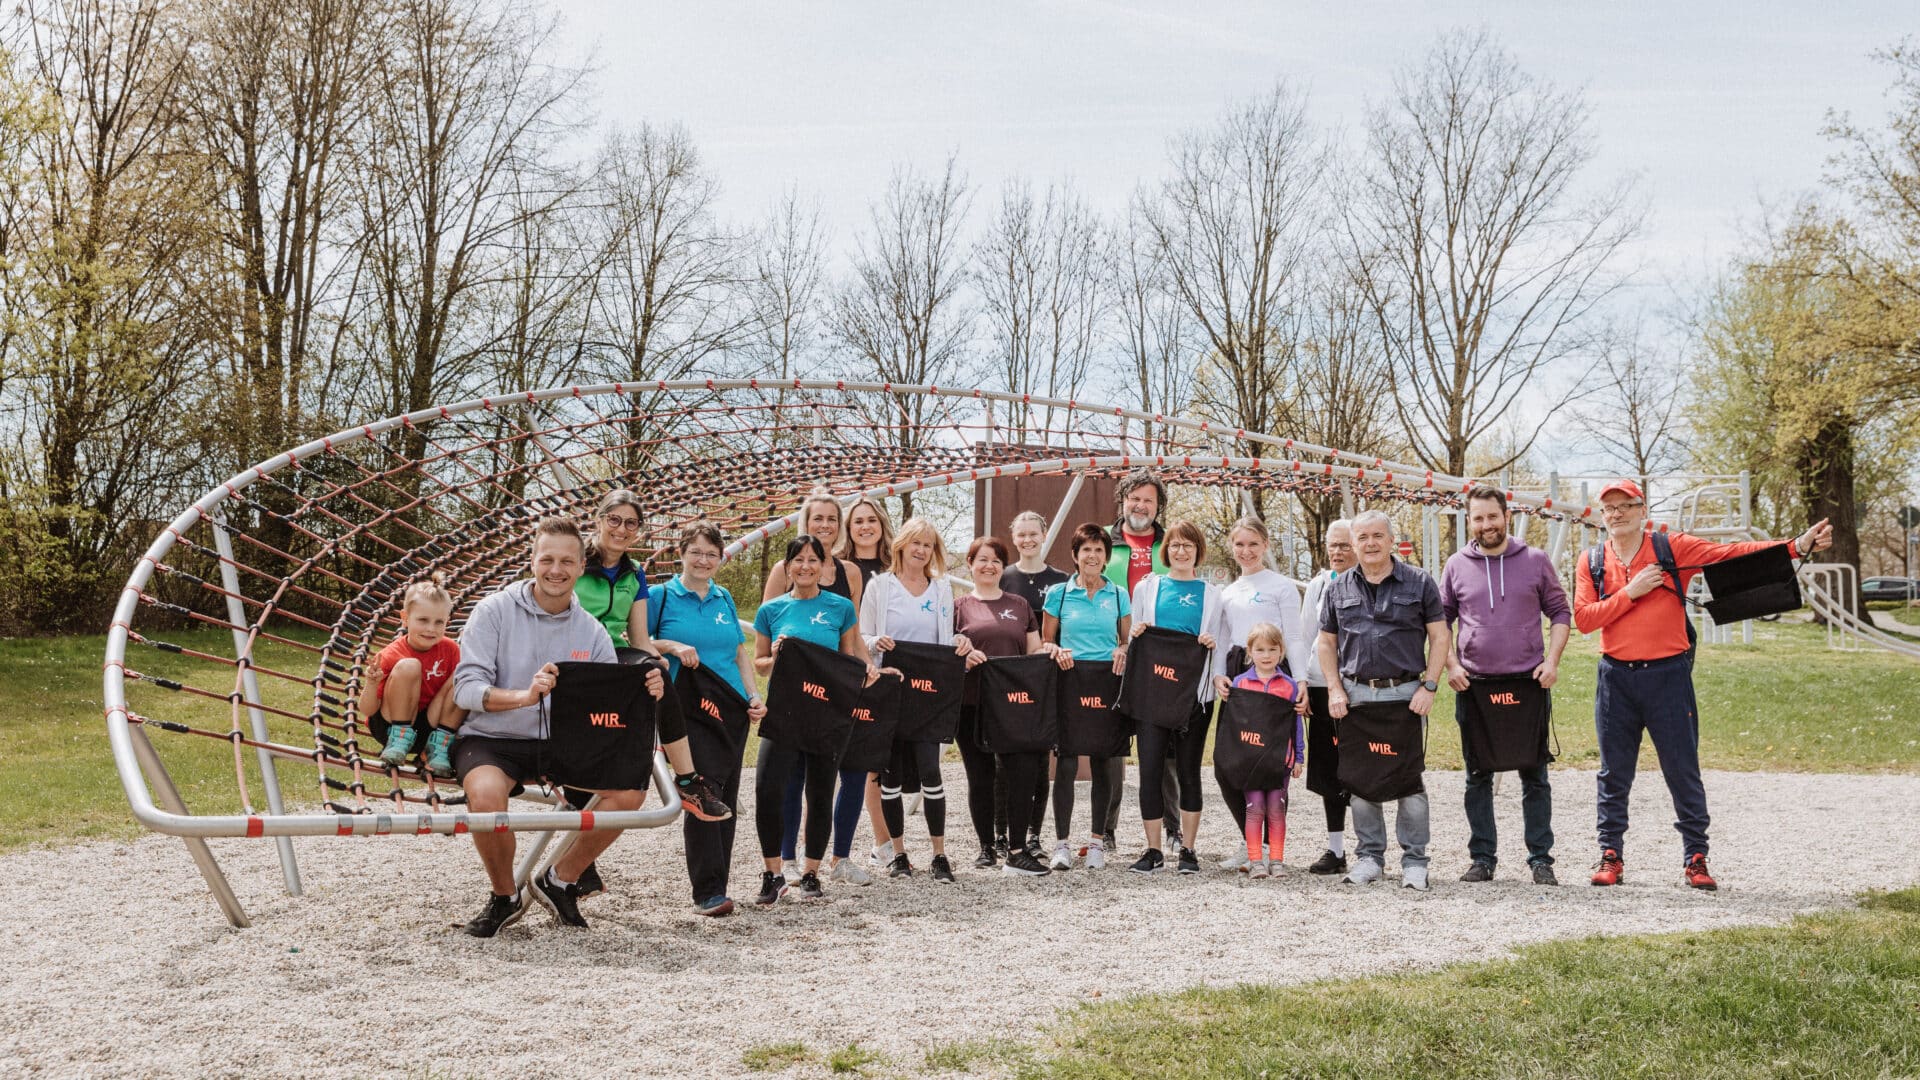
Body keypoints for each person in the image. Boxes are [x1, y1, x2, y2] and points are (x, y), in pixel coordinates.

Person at [1573, 479, 1831, 890]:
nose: (1617, 513)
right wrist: (1632, 592)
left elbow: (1730, 554)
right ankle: (1610, 854)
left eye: (1626, 505)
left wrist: (1796, 546)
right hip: (1616, 677)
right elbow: (1585, 620)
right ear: (1602, 516)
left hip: (1668, 676)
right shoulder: (1592, 561)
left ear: (1642, 510)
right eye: (1610, 508)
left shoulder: (1669, 547)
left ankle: (1695, 856)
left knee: (1682, 768)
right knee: (1613, 773)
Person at [447, 517, 665, 937]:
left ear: (582, 567)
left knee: (630, 792)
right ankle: (504, 896)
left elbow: (606, 701)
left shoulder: (591, 630)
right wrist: (524, 697)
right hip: (493, 737)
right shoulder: (493, 611)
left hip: (559, 742)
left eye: (567, 561)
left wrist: (645, 690)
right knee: (487, 797)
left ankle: (561, 879)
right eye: (547, 559)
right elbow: (466, 688)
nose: (556, 569)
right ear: (532, 561)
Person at [1439, 486, 1571, 886]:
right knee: (1477, 775)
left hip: (1528, 680)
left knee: (1535, 775)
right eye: (1478, 518)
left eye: (1492, 516)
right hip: (1474, 684)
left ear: (1505, 516)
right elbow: (1440, 621)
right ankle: (1482, 858)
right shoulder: (1456, 565)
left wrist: (1552, 661)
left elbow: (1560, 612)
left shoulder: (1535, 560)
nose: (1486, 525)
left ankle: (1540, 859)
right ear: (1470, 521)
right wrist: (1451, 665)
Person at [577, 489, 732, 823]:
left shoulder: (634, 573)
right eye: (614, 520)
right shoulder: (576, 563)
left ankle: (688, 781)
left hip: (614, 653)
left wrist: (655, 658)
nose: (621, 529)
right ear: (598, 520)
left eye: (630, 523)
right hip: (576, 652)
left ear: (639, 529)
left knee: (655, 673)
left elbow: (638, 636)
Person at [1315, 509, 1450, 892]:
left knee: (1409, 780)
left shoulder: (1419, 582)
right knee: (1362, 780)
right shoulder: (1337, 588)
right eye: (1363, 537)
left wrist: (1430, 686)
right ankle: (1370, 858)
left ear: (1391, 540)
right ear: (1354, 543)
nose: (1370, 543)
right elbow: (1326, 643)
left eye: (1378, 536)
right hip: (1356, 694)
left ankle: (1415, 861)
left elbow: (1440, 636)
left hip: (1406, 694)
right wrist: (1334, 688)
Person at [752, 534, 882, 904]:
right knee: (768, 790)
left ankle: (811, 873)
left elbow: (846, 659)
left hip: (826, 713)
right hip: (784, 712)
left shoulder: (840, 607)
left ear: (824, 566)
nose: (806, 566)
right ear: (787, 566)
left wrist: (867, 672)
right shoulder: (771, 610)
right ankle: (773, 873)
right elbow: (760, 665)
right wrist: (776, 656)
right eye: (798, 559)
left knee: (821, 791)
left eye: (813, 560)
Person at [648, 522, 768, 917]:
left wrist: (753, 695)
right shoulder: (660, 596)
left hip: (730, 706)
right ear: (682, 553)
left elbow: (738, 652)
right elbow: (637, 643)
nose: (703, 560)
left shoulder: (724, 598)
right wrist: (672, 645)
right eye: (696, 552)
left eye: (711, 554)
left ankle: (720, 884)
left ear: (720, 559)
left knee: (726, 795)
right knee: (703, 792)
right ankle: (707, 891)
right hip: (686, 706)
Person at [859, 517, 971, 884]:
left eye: (928, 545)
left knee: (929, 769)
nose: (921, 550)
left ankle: (939, 854)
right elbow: (862, 635)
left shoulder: (940, 589)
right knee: (889, 773)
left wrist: (959, 642)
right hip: (890, 690)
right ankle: (899, 854)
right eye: (915, 543)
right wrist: (874, 643)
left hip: (927, 691)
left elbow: (944, 639)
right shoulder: (880, 586)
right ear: (901, 546)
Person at [1210, 516, 1309, 871]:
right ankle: (1249, 840)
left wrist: (1300, 680)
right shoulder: (1227, 592)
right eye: (1239, 544)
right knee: (1229, 762)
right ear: (1231, 547)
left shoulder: (1281, 587)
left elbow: (1294, 636)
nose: (1246, 551)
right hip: (1240, 676)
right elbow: (1222, 639)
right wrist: (1219, 674)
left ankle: (1268, 847)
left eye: (1253, 544)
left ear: (1265, 545)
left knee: (1269, 761)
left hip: (1274, 675)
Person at [1125, 519, 1223, 875]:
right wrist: (1136, 633)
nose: (1182, 551)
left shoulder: (1212, 594)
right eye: (1176, 545)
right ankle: (1153, 850)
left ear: (1198, 551)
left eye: (1189, 545)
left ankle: (1188, 849)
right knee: (1150, 770)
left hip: (1194, 696)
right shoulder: (1148, 588)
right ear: (1166, 550)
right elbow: (1135, 640)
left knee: (1189, 771)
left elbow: (1220, 642)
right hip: (1153, 693)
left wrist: (1212, 645)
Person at [953, 535, 1049, 873]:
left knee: (1020, 775)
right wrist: (961, 652)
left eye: (996, 560)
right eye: (982, 559)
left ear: (1003, 567)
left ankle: (1017, 848)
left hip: (1013, 705)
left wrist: (1049, 651)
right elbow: (946, 650)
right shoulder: (958, 607)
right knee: (980, 778)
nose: (989, 566)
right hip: (971, 703)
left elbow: (1034, 651)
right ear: (970, 564)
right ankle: (986, 847)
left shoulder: (1020, 605)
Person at [1041, 523, 1131, 871]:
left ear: (1106, 557)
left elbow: (1125, 641)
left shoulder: (1119, 594)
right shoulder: (1059, 594)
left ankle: (1096, 842)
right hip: (1070, 680)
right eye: (1086, 550)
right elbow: (1046, 642)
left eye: (1098, 550)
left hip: (1106, 682)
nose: (1092, 556)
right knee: (1065, 763)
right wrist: (1056, 650)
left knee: (1103, 763)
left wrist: (1123, 649)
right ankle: (1061, 844)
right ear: (1075, 555)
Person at [1103, 469, 1176, 852]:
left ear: (1158, 505)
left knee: (1164, 746)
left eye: (1148, 500)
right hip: (1112, 652)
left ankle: (1173, 829)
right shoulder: (1102, 540)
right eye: (1134, 498)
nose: (1141, 506)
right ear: (1123, 500)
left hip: (1160, 655)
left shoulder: (1173, 542)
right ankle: (1105, 829)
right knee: (1111, 744)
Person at [994, 510, 1065, 858]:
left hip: (1045, 680)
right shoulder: (1004, 577)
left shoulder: (1061, 580)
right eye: (1021, 535)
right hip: (1008, 678)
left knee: (1039, 761)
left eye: (1033, 534)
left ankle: (1034, 835)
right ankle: (1001, 833)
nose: (1027, 540)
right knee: (1003, 762)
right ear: (1014, 538)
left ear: (1044, 534)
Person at [1216, 622, 1306, 879]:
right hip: (1250, 760)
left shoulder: (1289, 686)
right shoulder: (1240, 684)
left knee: (1276, 809)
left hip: (1279, 761)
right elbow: (1234, 724)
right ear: (1249, 652)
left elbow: (1295, 724)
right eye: (1260, 649)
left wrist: (1298, 757)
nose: (1266, 655)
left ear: (1281, 652)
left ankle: (1276, 860)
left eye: (1272, 649)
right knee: (1254, 808)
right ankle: (1256, 861)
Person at [359, 575, 464, 778]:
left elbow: (453, 696)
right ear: (405, 618)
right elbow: (367, 710)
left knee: (464, 674)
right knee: (410, 666)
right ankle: (399, 739)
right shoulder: (391, 654)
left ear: (447, 622)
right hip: (390, 724)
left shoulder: (450, 649)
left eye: (439, 622)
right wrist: (371, 683)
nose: (431, 629)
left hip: (429, 728)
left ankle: (439, 746)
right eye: (423, 620)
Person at [1298, 520, 1356, 875]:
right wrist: (1303, 682)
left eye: (1344, 545)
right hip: (1322, 687)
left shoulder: (1369, 583)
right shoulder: (1318, 585)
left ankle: (1370, 848)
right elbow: (1306, 637)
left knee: (1362, 769)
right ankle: (1336, 849)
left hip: (1359, 688)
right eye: (1332, 545)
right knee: (1328, 769)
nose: (1337, 552)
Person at [837, 495, 896, 585]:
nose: (865, 527)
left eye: (872, 520)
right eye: (858, 522)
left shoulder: (898, 565)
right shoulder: (837, 567)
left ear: (882, 524)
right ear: (849, 528)